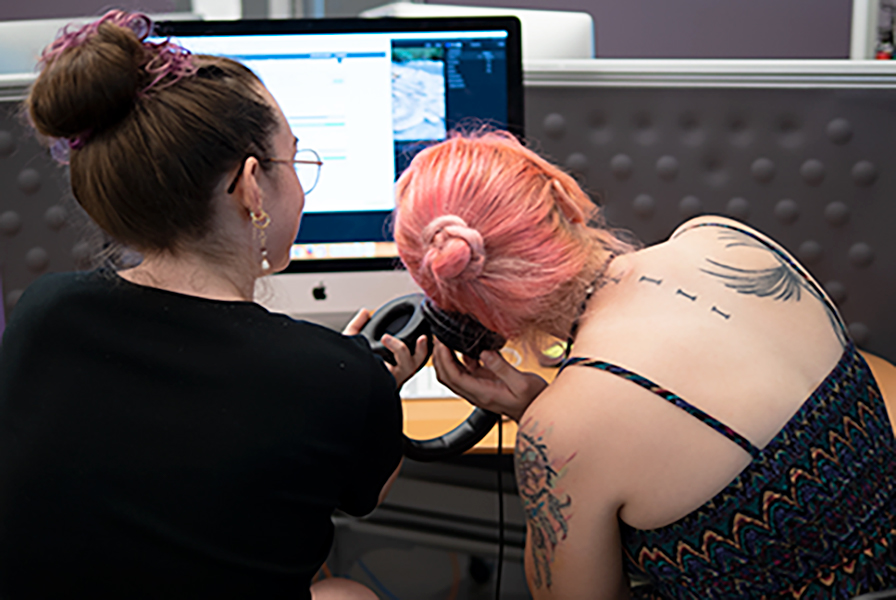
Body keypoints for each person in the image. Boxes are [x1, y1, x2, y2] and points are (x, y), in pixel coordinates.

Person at [0, 11, 427, 599]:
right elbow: (362, 494)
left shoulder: (44, 311)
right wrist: (374, 388)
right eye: (296, 160)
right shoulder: (337, 377)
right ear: (252, 186)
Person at [391, 130, 896, 599]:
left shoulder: (561, 434)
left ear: (465, 314)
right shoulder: (724, 239)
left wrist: (542, 424)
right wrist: (543, 412)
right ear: (565, 200)